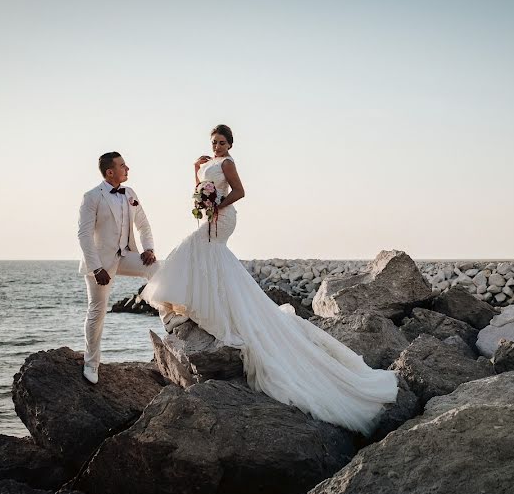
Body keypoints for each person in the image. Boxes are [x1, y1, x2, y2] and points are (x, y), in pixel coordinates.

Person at [142, 125, 398, 436]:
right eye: (214, 142)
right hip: (212, 216)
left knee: (195, 250)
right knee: (206, 258)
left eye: (222, 142)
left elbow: (239, 192)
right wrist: (195, 172)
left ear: (230, 144)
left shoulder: (227, 164)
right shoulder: (208, 162)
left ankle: (207, 308)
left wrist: (218, 206)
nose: (218, 146)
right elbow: (200, 189)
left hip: (224, 218)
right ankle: (203, 304)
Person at [77, 152, 166, 384]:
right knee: (97, 311)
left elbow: (144, 225)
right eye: (122, 166)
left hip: (126, 255)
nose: (127, 169)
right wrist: (96, 268)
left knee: (155, 267)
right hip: (100, 264)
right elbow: (84, 236)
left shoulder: (130, 194)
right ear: (110, 172)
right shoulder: (92, 197)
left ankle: (170, 318)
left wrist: (148, 249)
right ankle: (91, 363)